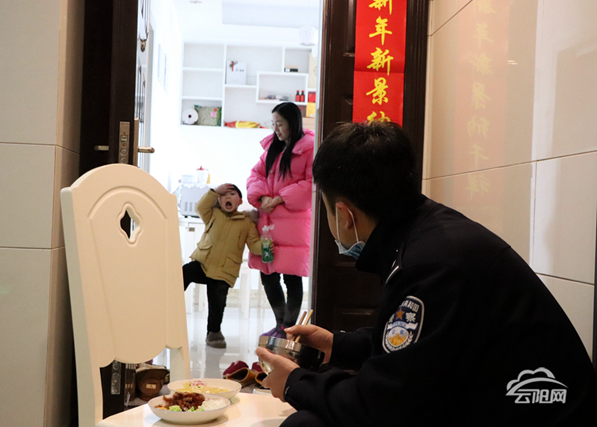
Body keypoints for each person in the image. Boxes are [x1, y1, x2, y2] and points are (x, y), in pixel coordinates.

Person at [256, 121, 597, 426]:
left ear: (344, 215)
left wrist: (294, 383)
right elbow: (420, 344)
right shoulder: (427, 235)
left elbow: (383, 406)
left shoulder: (430, 266)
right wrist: (337, 345)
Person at [247, 102, 315, 338]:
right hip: (268, 225)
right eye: (273, 123)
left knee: (292, 278)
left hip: (293, 225)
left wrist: (280, 198)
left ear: (293, 123)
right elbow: (255, 175)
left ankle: (288, 328)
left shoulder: (308, 149)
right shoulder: (271, 148)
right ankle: (280, 325)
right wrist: (263, 196)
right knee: (267, 274)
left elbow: (311, 183)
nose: (275, 129)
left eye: (280, 124)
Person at [183, 183, 262, 348]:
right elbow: (200, 207)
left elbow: (254, 244)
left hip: (225, 270)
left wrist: (267, 246)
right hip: (204, 263)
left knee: (218, 300)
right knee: (184, 272)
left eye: (232, 194)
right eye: (223, 195)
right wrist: (214, 192)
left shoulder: (247, 222)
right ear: (218, 200)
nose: (227, 197)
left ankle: (214, 332)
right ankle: (165, 306)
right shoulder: (213, 214)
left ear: (240, 201)